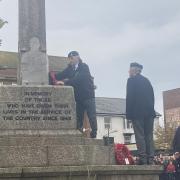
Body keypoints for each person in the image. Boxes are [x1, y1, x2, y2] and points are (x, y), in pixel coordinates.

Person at [55, 51, 97, 138]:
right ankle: (79, 134)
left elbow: (78, 79)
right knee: (79, 117)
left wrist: (65, 83)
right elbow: (59, 75)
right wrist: (50, 76)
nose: (70, 60)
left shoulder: (84, 67)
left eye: (72, 58)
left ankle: (94, 133)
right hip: (78, 97)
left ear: (77, 57)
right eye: (69, 59)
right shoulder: (70, 69)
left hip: (88, 96)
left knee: (91, 116)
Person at [126, 62, 156, 165]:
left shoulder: (131, 81)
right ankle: (151, 159)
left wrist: (128, 115)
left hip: (137, 113)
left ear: (134, 70)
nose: (128, 72)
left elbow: (129, 98)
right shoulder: (147, 81)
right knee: (149, 136)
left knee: (140, 136)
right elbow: (152, 97)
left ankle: (143, 158)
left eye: (129, 70)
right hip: (149, 113)